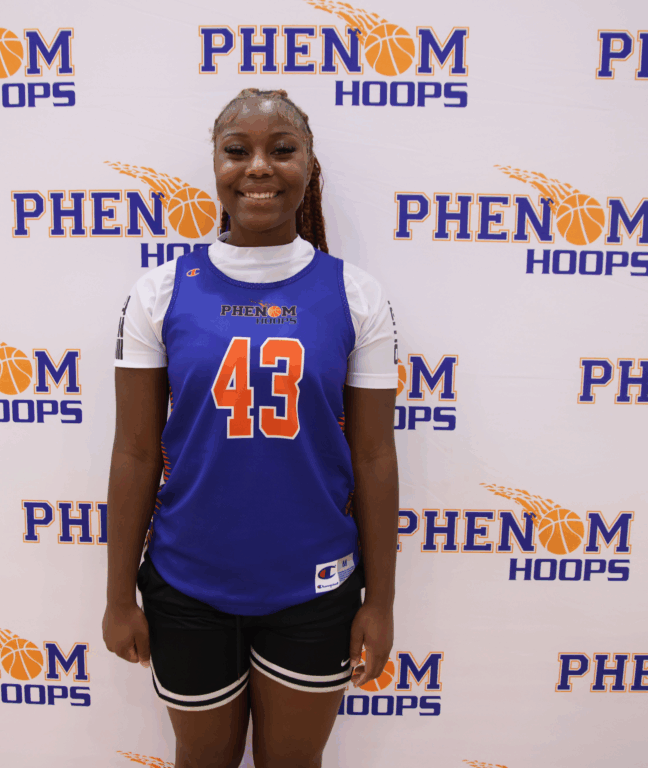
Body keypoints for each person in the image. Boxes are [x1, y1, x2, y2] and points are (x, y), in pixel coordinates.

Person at [103, 88, 399, 768]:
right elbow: (136, 453)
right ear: (216, 164)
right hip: (187, 583)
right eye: (238, 150)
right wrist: (118, 597)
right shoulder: (161, 290)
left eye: (281, 150)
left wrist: (380, 602)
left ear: (308, 166)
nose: (259, 167)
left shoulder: (356, 294)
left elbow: (375, 458)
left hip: (315, 588)